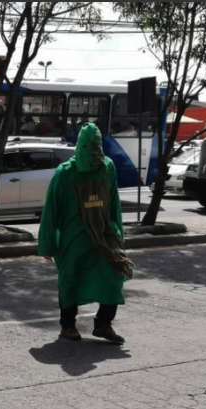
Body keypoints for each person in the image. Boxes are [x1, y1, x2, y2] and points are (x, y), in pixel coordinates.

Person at [38, 123, 133, 345]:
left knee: (113, 275)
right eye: (89, 146)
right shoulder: (65, 173)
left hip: (104, 235)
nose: (93, 151)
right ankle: (68, 326)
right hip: (74, 239)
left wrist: (119, 235)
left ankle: (103, 324)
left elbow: (113, 204)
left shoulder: (107, 167)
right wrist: (47, 245)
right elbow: (51, 210)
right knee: (70, 280)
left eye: (97, 145)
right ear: (80, 146)